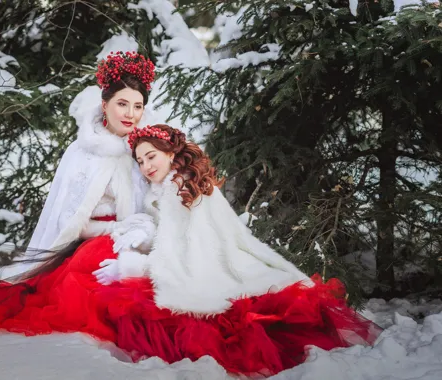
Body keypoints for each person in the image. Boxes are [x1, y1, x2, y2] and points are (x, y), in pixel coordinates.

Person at [88, 124, 383, 377]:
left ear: (171, 152)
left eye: (151, 156)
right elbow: (178, 240)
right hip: (211, 262)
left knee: (133, 309)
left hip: (206, 272)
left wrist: (134, 267)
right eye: (140, 161)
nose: (146, 166)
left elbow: (190, 253)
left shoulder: (180, 190)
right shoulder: (182, 185)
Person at [0, 51, 158, 339]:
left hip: (141, 243)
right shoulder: (84, 152)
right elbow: (71, 220)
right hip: (94, 243)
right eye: (122, 104)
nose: (130, 114)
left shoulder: (147, 149)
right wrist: (116, 229)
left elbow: (160, 202)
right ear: (104, 104)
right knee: (102, 300)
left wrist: (145, 231)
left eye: (137, 106)